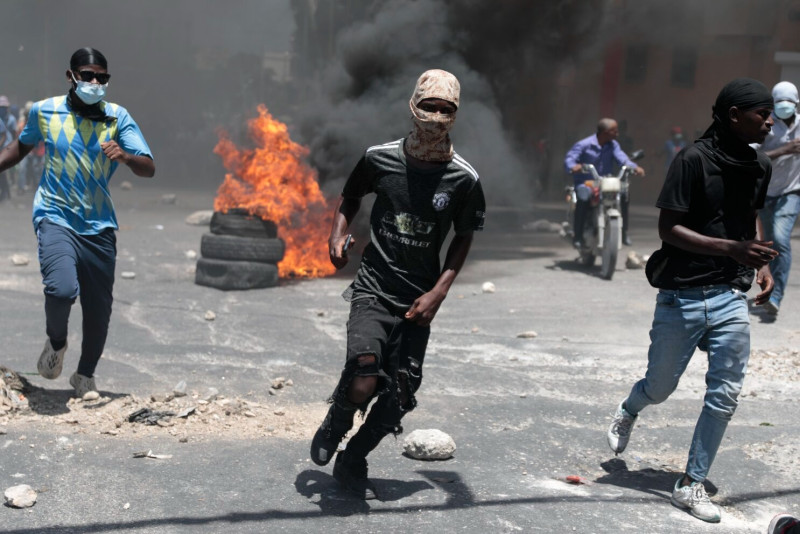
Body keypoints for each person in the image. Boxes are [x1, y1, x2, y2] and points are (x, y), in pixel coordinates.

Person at [309, 69, 485, 500]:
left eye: (446, 110)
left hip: (418, 299)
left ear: (456, 114)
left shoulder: (464, 179)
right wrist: (336, 236)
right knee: (365, 367)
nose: (436, 116)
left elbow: (464, 237)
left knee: (401, 391)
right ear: (413, 106)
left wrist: (439, 291)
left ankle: (355, 457)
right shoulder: (379, 158)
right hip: (373, 285)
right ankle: (337, 420)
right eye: (429, 107)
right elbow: (351, 197)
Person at [606, 78, 776, 523]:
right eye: (763, 113)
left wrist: (760, 262)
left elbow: (751, 217)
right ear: (734, 115)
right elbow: (668, 230)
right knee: (659, 387)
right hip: (680, 295)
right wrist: (732, 249)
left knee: (725, 394)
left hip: (728, 296)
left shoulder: (760, 165)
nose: (771, 121)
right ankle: (630, 408)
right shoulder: (692, 160)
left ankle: (691, 482)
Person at [0, 47, 154, 397]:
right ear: (71, 77)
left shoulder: (117, 117)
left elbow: (148, 166)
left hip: (99, 225)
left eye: (102, 77)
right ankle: (56, 344)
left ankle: (85, 376)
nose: (96, 82)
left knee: (99, 309)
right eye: (88, 75)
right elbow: (19, 149)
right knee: (61, 289)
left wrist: (126, 156)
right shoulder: (44, 111)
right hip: (55, 215)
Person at [752, 81, 800, 317]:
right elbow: (752, 155)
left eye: (788, 103)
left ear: (796, 103)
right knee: (768, 245)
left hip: (791, 191)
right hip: (765, 192)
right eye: (779, 103)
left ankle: (777, 295)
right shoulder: (766, 124)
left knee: (781, 240)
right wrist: (785, 149)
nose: (784, 107)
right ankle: (767, 291)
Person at [564, 118, 645, 248]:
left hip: (605, 181)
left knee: (624, 195)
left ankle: (623, 232)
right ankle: (578, 236)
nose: (617, 134)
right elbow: (570, 159)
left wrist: (634, 167)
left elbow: (622, 158)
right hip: (587, 182)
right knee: (583, 197)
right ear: (606, 132)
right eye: (615, 131)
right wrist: (574, 166)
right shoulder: (584, 145)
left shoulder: (613, 145)